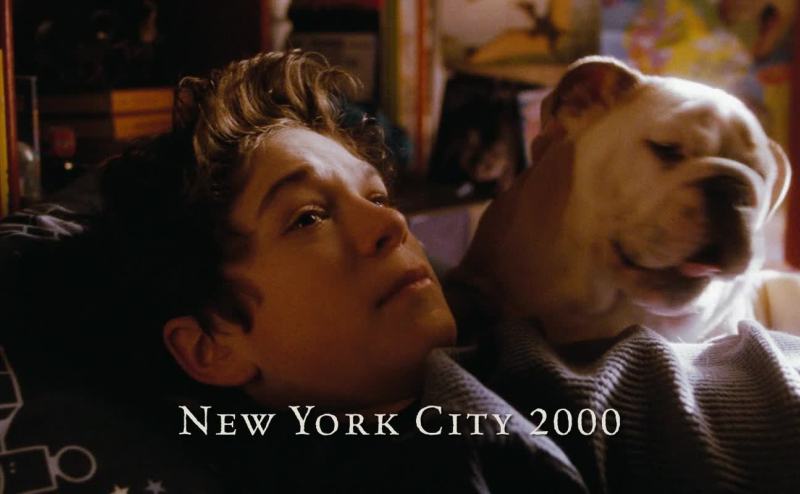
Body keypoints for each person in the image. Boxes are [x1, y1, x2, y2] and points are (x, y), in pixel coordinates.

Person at [84, 49, 800, 493]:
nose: (392, 226)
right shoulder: (415, 459)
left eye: (376, 197)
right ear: (210, 346)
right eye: (307, 218)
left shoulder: (505, 334)